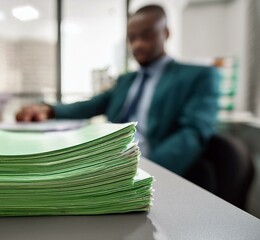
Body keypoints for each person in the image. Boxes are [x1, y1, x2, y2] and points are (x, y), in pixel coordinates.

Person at [15, 5, 219, 175]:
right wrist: (49, 110)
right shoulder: (126, 80)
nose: (138, 44)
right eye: (132, 38)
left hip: (146, 167)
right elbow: (91, 105)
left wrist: (145, 171)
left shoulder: (199, 76)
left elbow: (192, 134)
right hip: (109, 159)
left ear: (166, 33)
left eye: (146, 35)